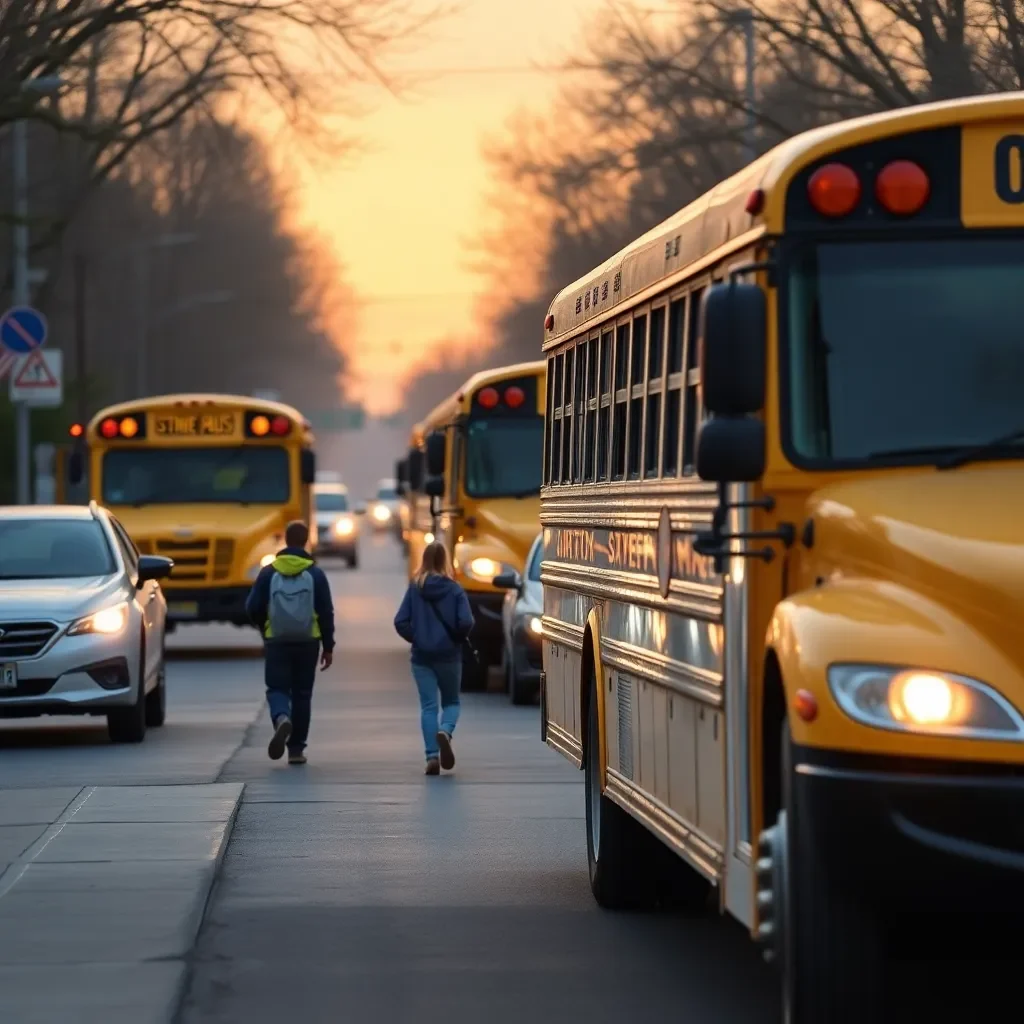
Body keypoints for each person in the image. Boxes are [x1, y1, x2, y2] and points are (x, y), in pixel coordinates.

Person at [245, 520, 335, 765]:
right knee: (303, 694)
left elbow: (252, 607)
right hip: (308, 641)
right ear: (306, 541)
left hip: (277, 639)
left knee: (277, 688)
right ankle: (296, 750)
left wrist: (265, 627)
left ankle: (281, 717)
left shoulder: (269, 572)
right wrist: (328, 646)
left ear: (285, 540)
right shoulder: (315, 573)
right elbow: (326, 612)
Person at [394, 541, 474, 775]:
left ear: (424, 560)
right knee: (451, 702)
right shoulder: (455, 589)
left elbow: (400, 621)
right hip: (449, 655)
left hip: (422, 657)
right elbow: (466, 621)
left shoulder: (415, 588)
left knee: (429, 706)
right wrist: (457, 638)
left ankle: (431, 756)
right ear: (444, 560)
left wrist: (417, 638)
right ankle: (446, 731)